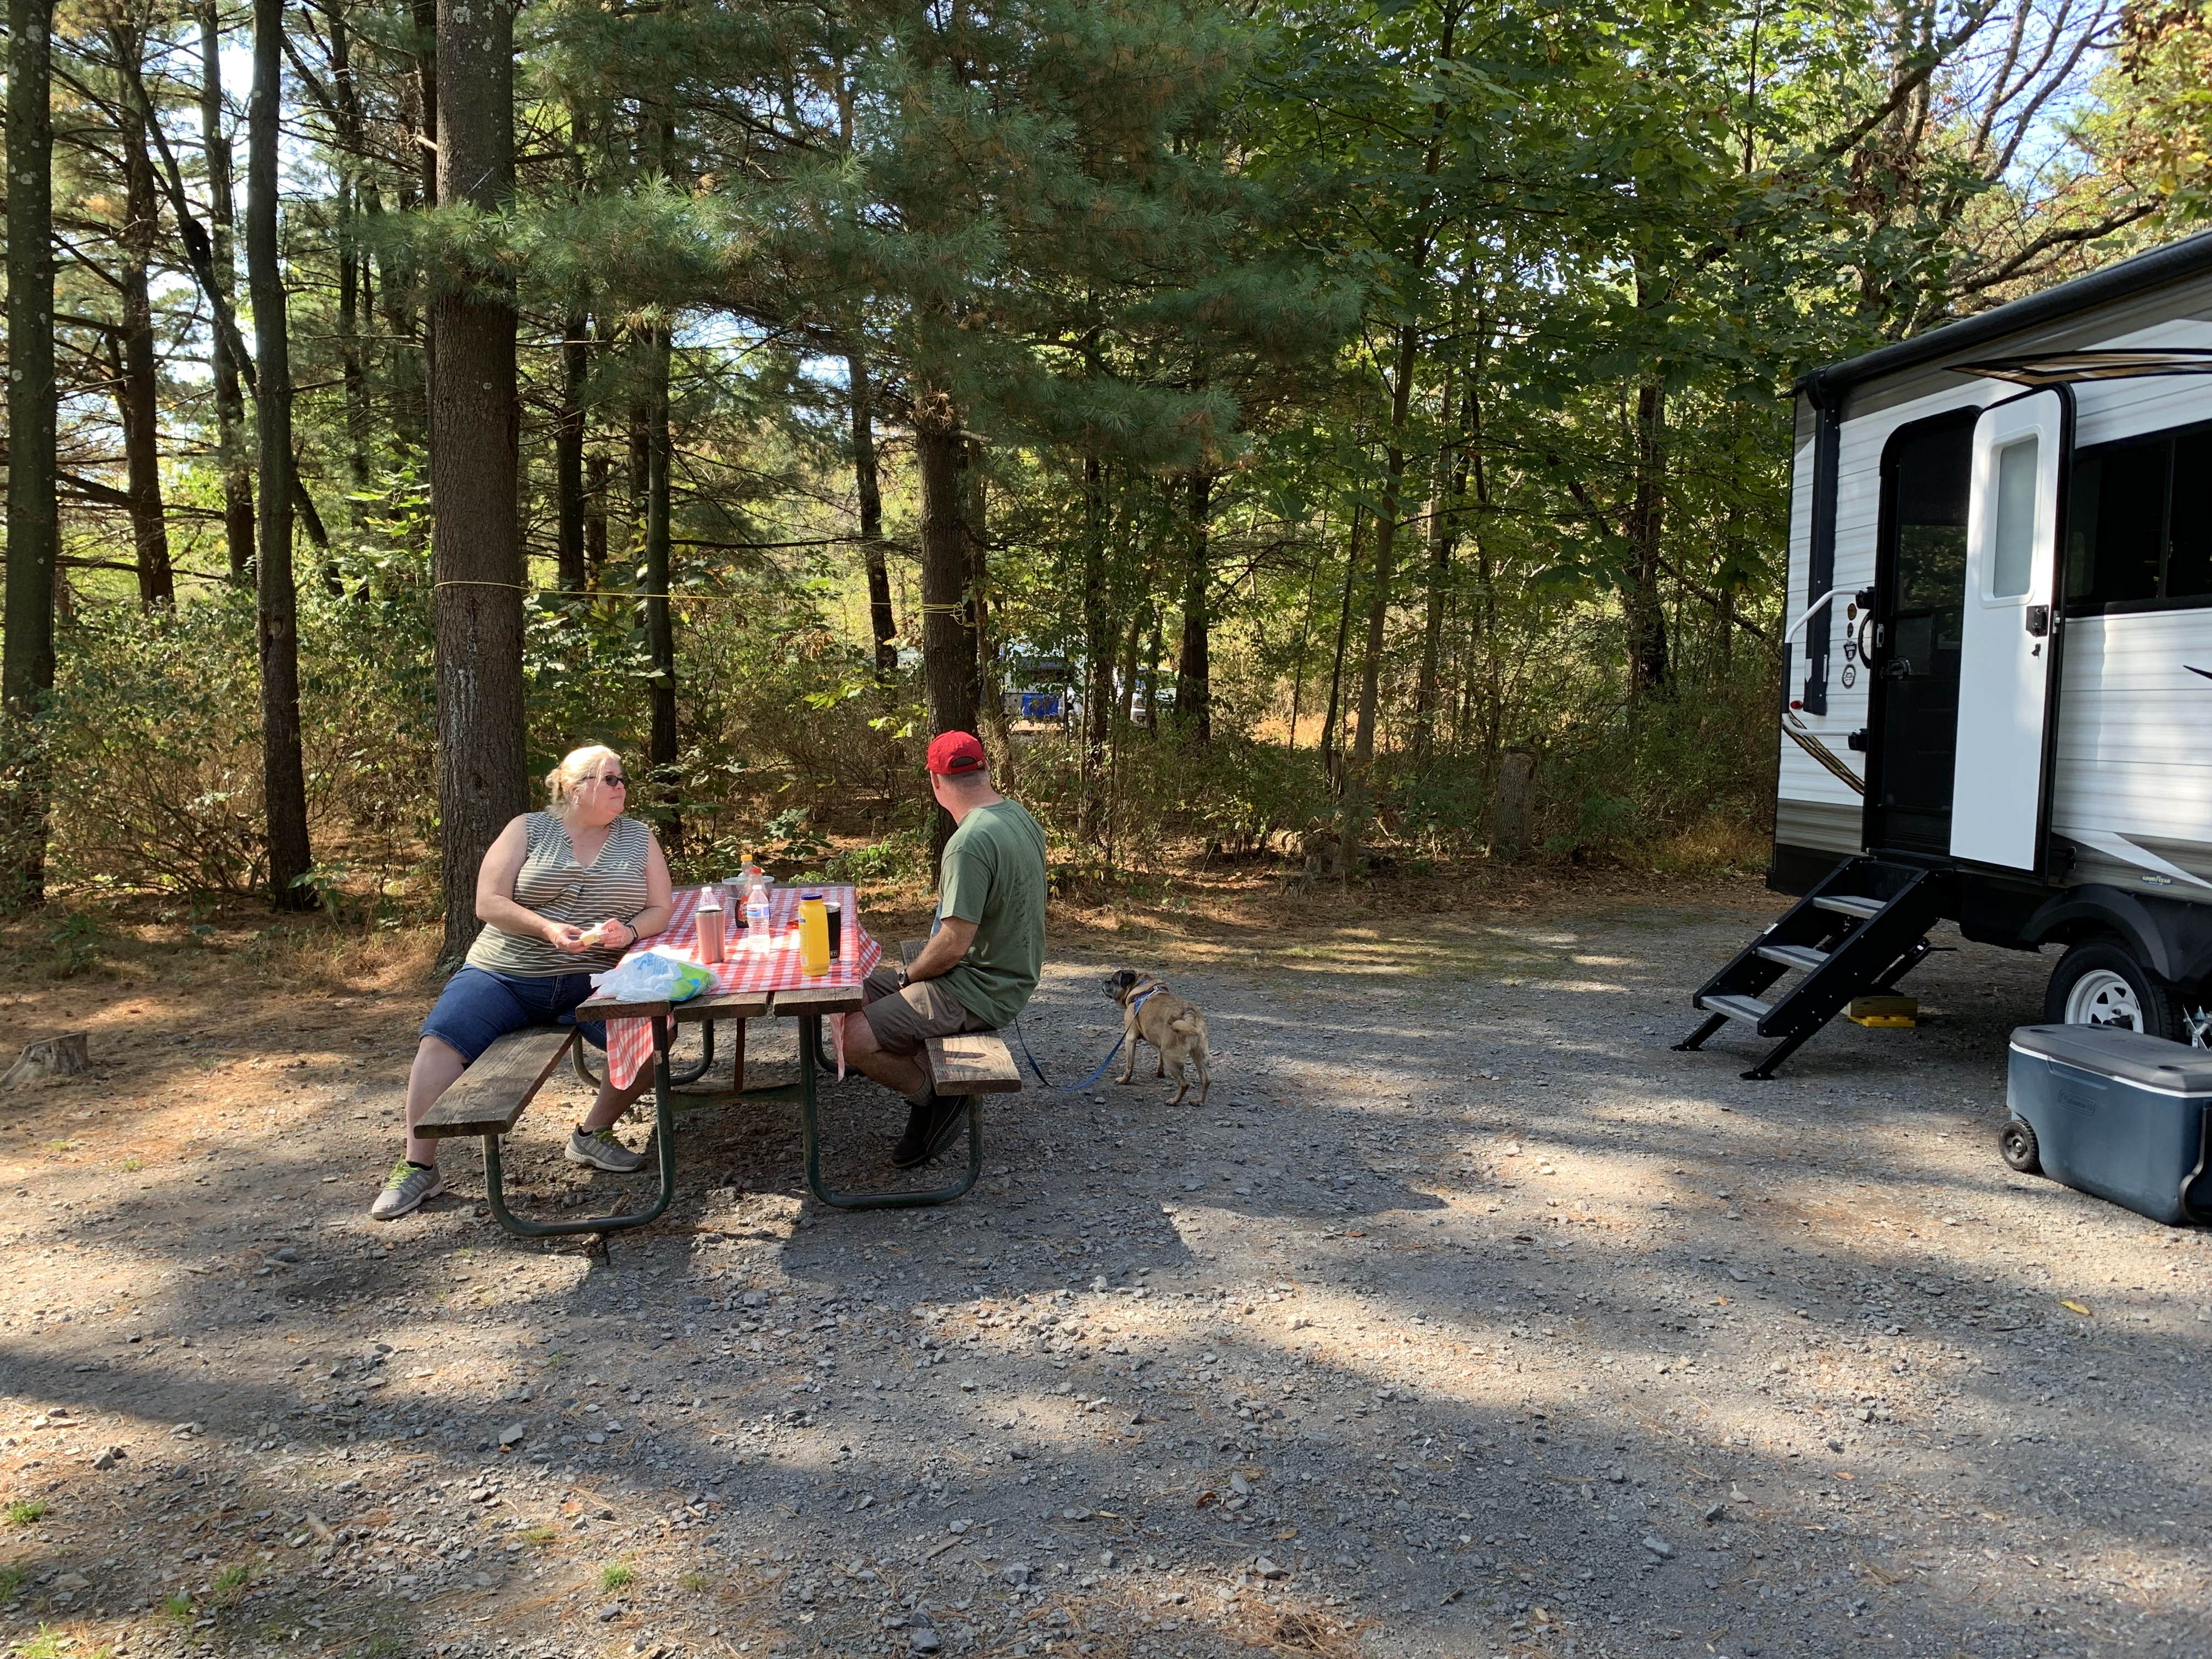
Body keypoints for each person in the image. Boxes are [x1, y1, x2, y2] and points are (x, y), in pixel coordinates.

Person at [370, 744, 674, 1220]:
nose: (622, 788)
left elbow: (661, 910)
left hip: (590, 978)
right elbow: (487, 902)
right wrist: (546, 929)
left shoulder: (638, 837)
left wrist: (629, 932)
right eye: (610, 779)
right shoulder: (527, 829)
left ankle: (592, 1135)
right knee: (440, 1041)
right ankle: (418, 1166)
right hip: (505, 974)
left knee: (657, 1030)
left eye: (622, 778)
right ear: (577, 789)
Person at [844, 731, 1047, 1166]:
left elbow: (953, 945)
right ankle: (915, 1068)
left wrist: (907, 977)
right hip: (997, 972)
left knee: (854, 1039)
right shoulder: (1018, 815)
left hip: (980, 987)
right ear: (985, 771)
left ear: (936, 783)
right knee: (852, 996)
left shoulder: (969, 843)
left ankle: (933, 1099)